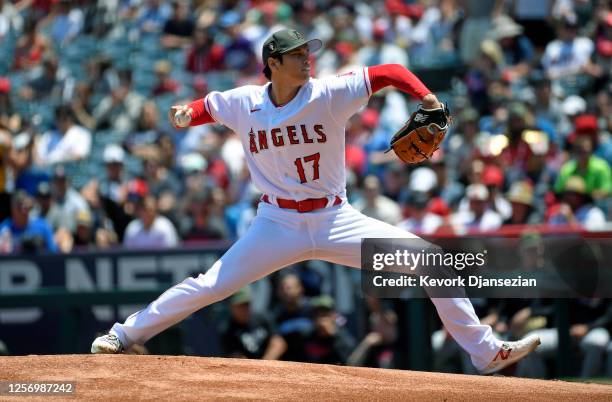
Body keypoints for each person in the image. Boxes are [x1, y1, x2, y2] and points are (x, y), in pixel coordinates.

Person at [91, 29, 540, 374]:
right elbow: (208, 105)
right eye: (299, 54)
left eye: (310, 52)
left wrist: (426, 97)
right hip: (276, 224)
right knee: (210, 285)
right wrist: (187, 112)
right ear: (273, 63)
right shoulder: (245, 102)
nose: (309, 59)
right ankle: (121, 334)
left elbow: (386, 73)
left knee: (432, 261)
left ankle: (485, 352)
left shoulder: (328, 93)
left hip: (335, 219)